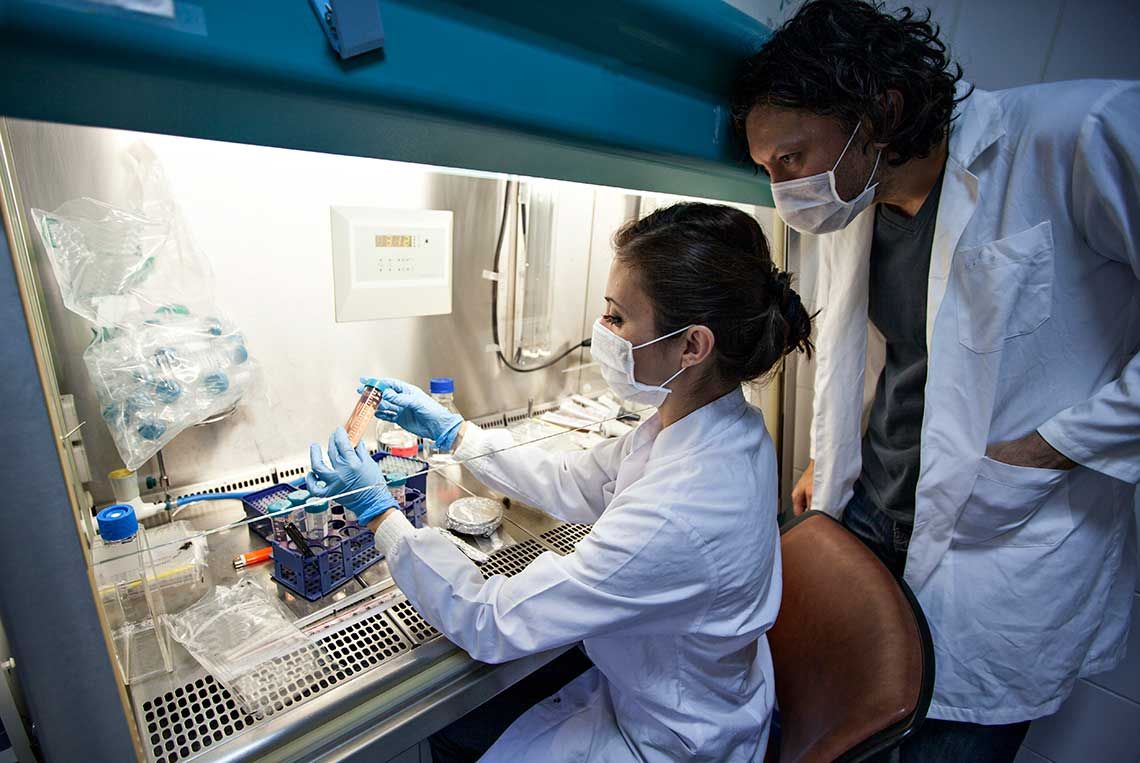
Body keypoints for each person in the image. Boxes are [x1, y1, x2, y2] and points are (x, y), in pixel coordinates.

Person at [731, 1, 1140, 761]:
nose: (784, 187)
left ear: (880, 113)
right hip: (871, 517)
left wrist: (1054, 446)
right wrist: (840, 449)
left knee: (939, 746)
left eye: (791, 159)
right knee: (820, 731)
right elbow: (906, 350)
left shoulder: (1081, 134)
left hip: (998, 536)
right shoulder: (861, 201)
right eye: (766, 170)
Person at [306, 202, 812, 761]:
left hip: (671, 738)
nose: (602, 333)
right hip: (669, 685)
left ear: (692, 346)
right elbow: (577, 480)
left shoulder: (681, 511)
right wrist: (456, 434)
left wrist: (379, 515)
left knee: (458, 734)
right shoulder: (717, 423)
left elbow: (490, 619)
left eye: (617, 318)